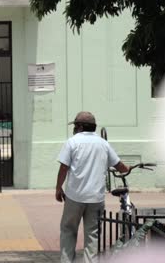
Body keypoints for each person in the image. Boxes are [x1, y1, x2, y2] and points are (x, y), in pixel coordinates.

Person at [56, 111, 130, 263]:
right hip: (96, 198)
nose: (74, 128)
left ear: (80, 126)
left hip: (74, 197)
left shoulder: (72, 142)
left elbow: (64, 167)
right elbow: (119, 165)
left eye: (76, 125)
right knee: (93, 234)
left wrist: (58, 188)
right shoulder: (103, 143)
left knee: (68, 230)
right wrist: (126, 169)